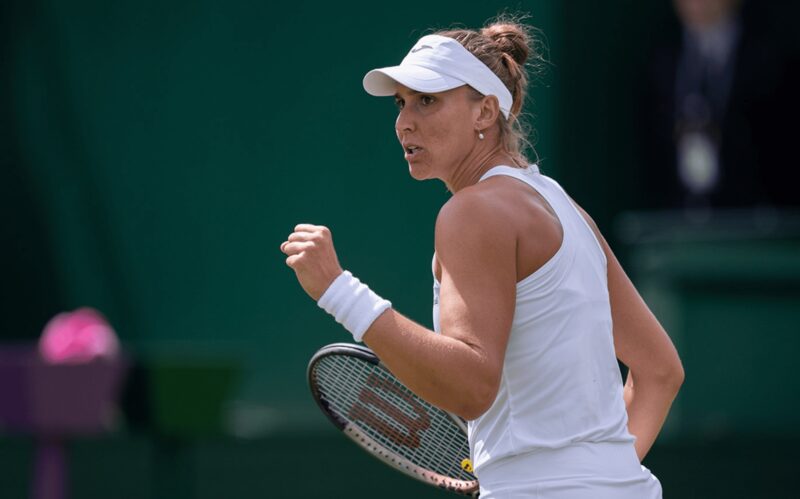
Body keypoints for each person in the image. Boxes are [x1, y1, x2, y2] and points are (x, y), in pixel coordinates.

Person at [281, 18, 684, 498]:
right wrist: (590, 474)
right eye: (401, 103)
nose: (405, 120)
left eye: (427, 100)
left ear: (485, 112)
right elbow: (660, 371)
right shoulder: (567, 209)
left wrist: (338, 291)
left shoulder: (470, 212)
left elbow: (471, 386)